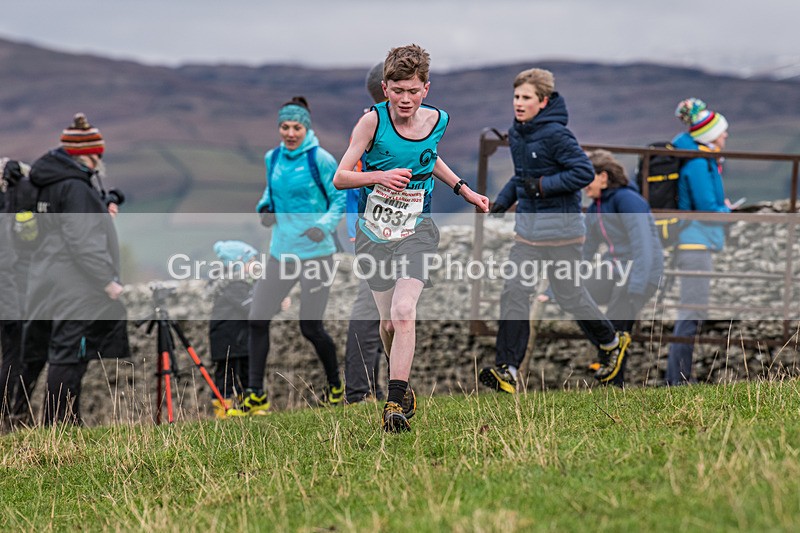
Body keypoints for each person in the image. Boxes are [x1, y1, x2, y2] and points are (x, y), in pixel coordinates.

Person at [333, 44, 489, 432]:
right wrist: (378, 176)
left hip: (417, 230)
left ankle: (393, 402)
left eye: (413, 91)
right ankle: (405, 389)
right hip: (374, 234)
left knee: (405, 312)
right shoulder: (371, 122)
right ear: (385, 88)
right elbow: (340, 176)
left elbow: (429, 156)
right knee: (387, 325)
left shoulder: (438, 120)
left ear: (426, 89)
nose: (405, 99)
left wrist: (463, 189)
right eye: (398, 90)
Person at [480, 68, 631, 393]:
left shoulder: (557, 135)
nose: (519, 104)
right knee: (515, 291)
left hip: (563, 234)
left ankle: (611, 341)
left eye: (526, 98)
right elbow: (522, 176)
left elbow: (582, 172)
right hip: (528, 233)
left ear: (543, 101)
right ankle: (507, 369)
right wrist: (502, 203)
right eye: (516, 97)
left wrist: (542, 186)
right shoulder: (518, 132)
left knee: (569, 295)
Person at [230, 97, 346, 416]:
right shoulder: (273, 158)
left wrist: (323, 226)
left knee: (310, 327)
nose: (290, 133)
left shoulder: (320, 159)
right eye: (285, 126)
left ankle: (336, 387)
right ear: (278, 127)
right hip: (281, 252)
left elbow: (340, 199)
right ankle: (255, 395)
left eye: (297, 127)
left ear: (306, 127)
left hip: (317, 255)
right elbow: (270, 192)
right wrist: (264, 209)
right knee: (257, 319)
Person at [18, 113, 130, 425]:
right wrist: (107, 281)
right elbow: (82, 241)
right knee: (69, 356)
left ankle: (14, 418)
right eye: (98, 153)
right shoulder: (76, 187)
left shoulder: (41, 183)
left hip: (43, 277)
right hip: (76, 284)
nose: (100, 161)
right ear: (86, 154)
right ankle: (62, 424)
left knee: (36, 354)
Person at [582, 149, 665, 385]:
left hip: (643, 273)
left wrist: (636, 286)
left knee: (618, 323)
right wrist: (562, 286)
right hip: (616, 270)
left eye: (587, 178)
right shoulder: (596, 206)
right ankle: (608, 357)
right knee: (577, 297)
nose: (583, 186)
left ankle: (612, 383)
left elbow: (644, 247)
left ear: (604, 177)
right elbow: (586, 251)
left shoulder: (628, 200)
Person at [666, 98, 731, 386]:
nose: (725, 136)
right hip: (695, 242)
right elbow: (706, 207)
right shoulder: (698, 164)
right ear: (708, 136)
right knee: (690, 311)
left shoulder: (702, 160)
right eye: (721, 131)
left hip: (695, 241)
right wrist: (727, 210)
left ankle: (680, 376)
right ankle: (678, 379)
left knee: (691, 311)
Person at [207, 240, 257, 418]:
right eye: (251, 260)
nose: (254, 264)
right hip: (226, 337)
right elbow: (250, 308)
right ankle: (223, 409)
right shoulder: (233, 285)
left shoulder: (242, 284)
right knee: (227, 375)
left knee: (244, 372)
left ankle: (247, 406)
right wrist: (277, 305)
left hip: (238, 337)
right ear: (238, 263)